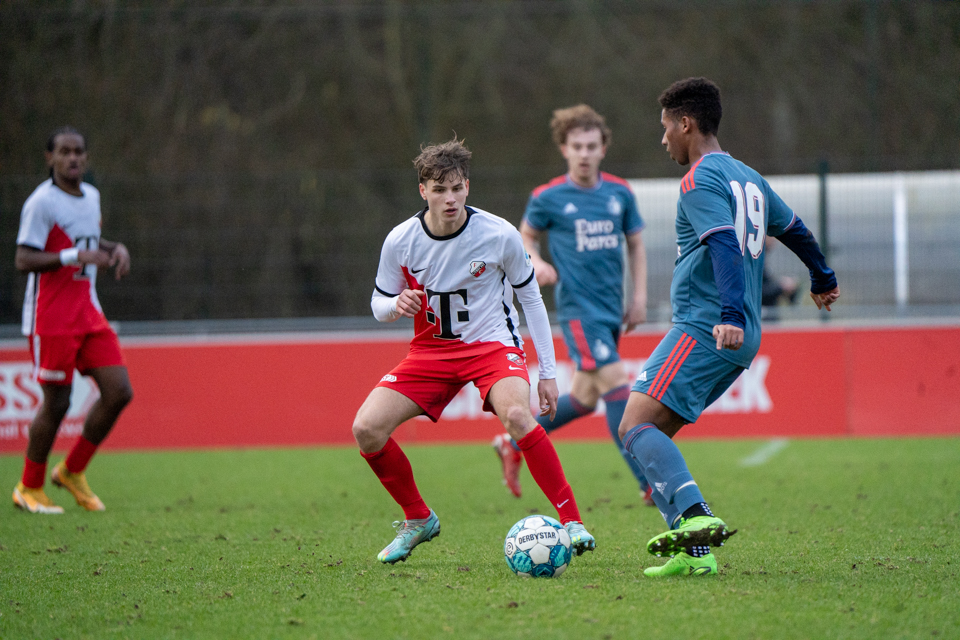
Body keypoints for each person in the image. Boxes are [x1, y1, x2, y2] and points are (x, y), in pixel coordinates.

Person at [618, 78, 840, 577]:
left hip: (706, 327)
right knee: (655, 441)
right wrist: (822, 277)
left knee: (633, 427)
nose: (663, 140)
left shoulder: (698, 181)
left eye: (665, 129)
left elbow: (722, 244)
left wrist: (729, 316)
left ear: (685, 124)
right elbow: (796, 229)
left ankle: (696, 518)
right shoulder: (748, 176)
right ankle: (693, 554)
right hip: (737, 335)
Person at [352, 138, 595, 564]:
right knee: (366, 429)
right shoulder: (401, 240)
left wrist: (548, 373)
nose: (450, 198)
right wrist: (396, 305)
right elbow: (378, 303)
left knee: (518, 416)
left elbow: (532, 300)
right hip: (430, 353)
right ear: (423, 191)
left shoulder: (498, 233)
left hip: (492, 346)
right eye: (440, 189)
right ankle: (418, 519)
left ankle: (572, 521)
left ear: (468, 186)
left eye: (457, 187)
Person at [490, 104, 654, 506]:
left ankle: (512, 444)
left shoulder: (619, 193)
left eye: (591, 145)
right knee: (617, 384)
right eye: (576, 145)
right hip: (579, 311)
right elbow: (524, 237)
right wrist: (538, 261)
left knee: (584, 398)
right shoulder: (548, 197)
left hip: (611, 309)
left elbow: (635, 244)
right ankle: (648, 482)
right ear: (564, 149)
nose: (584, 153)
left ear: (603, 149)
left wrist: (639, 297)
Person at [12, 126, 134, 514]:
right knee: (58, 403)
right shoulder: (41, 203)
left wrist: (115, 248)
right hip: (51, 316)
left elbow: (85, 240)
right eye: (64, 152)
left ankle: (71, 471)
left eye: (78, 151)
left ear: (86, 156)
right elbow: (23, 259)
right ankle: (29, 487)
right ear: (50, 158)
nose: (73, 158)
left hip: (88, 310)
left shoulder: (91, 197)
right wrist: (71, 257)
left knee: (118, 392)